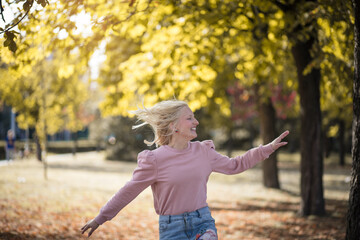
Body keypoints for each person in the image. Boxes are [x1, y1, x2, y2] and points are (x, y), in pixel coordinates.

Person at [81, 100, 289, 240]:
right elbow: (129, 191)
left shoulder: (203, 151)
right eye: (190, 118)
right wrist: (101, 217)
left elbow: (236, 165)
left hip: (202, 222)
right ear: (173, 126)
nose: (196, 122)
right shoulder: (154, 160)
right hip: (172, 228)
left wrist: (266, 149)